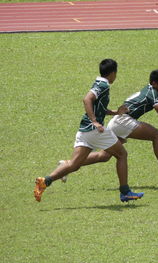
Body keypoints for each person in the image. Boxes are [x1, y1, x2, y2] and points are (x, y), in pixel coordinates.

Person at [34, 59, 144, 203]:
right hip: (94, 130)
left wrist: (116, 112)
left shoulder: (98, 83)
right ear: (112, 73)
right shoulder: (104, 85)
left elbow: (98, 107)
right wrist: (95, 121)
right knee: (122, 154)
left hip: (84, 130)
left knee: (74, 164)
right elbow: (87, 100)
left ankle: (45, 181)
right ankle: (125, 192)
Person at [60, 69, 158, 184]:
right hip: (123, 121)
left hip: (117, 122)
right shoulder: (152, 92)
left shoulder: (153, 91)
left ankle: (67, 165)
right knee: (157, 135)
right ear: (154, 83)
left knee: (104, 156)